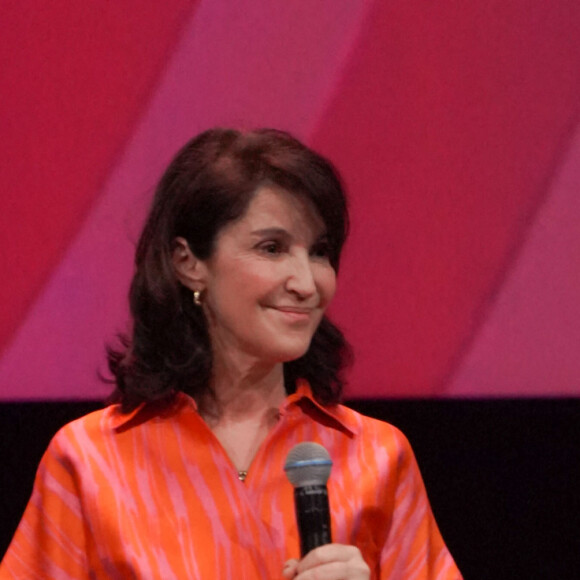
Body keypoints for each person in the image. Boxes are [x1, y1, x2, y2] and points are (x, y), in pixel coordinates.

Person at [0, 128, 462, 579]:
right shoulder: (89, 462)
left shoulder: (378, 458)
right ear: (189, 263)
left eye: (320, 252)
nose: (306, 283)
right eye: (272, 248)